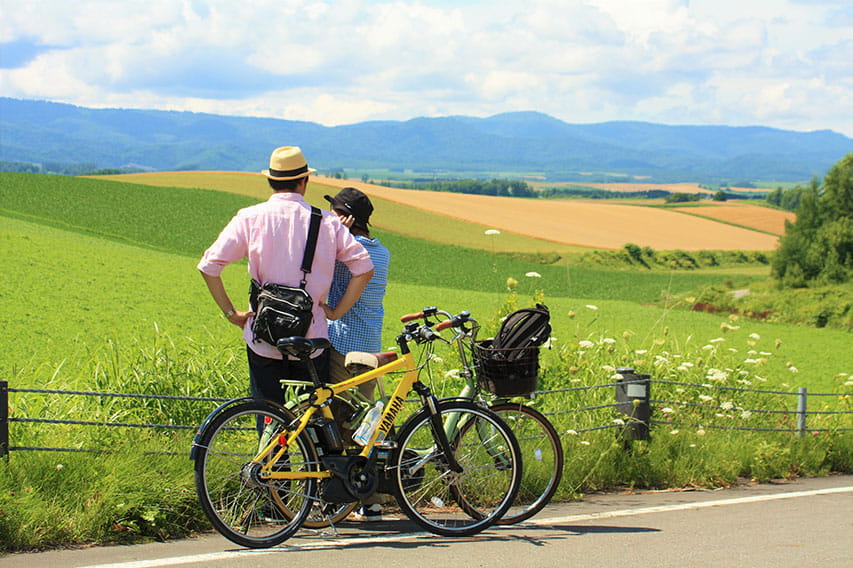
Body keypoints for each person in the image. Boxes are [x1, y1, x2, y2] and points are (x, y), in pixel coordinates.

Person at [197, 146, 374, 403]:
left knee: (268, 419)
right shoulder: (328, 222)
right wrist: (337, 312)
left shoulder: (249, 217)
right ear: (304, 181)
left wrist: (231, 314)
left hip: (263, 337)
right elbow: (364, 268)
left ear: (271, 181)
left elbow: (208, 266)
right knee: (309, 423)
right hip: (310, 341)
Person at [322, 187, 391, 522]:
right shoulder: (382, 251)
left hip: (343, 346)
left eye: (336, 213)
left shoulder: (347, 251)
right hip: (370, 347)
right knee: (366, 426)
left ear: (347, 217)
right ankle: (370, 500)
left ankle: (339, 497)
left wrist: (336, 231)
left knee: (337, 421)